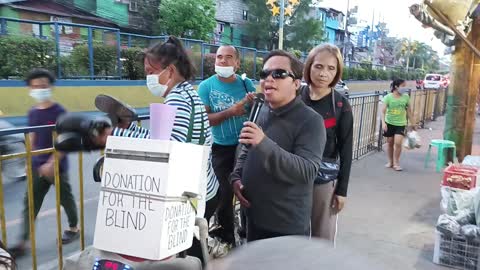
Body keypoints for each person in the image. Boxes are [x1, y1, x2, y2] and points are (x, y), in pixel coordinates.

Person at [59, 36, 219, 263]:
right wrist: (128, 129)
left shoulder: (178, 100)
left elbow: (168, 149)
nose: (148, 77)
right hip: (202, 188)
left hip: (192, 196)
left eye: (150, 71)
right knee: (185, 256)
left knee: (184, 261)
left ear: (170, 71)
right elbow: (161, 139)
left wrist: (112, 136)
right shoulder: (186, 93)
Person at [229, 50, 326, 241]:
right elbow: (246, 148)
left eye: (279, 74)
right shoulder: (261, 109)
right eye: (264, 74)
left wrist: (263, 142)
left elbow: (307, 171)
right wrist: (236, 177)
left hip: (285, 228)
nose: (268, 79)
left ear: (296, 83)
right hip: (253, 219)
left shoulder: (311, 121)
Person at [10, 69, 79, 258]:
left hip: (57, 165)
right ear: (30, 89)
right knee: (30, 203)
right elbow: (32, 137)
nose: (40, 89)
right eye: (35, 86)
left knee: (65, 198)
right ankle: (22, 242)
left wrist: (51, 163)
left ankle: (74, 228)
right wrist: (28, 160)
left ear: (50, 86)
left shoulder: (60, 112)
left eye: (43, 85)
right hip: (36, 167)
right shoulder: (33, 113)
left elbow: (66, 139)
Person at [197, 45, 256, 247]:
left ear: (237, 63)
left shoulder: (246, 84)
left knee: (248, 191)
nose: (222, 61)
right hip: (221, 149)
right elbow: (205, 120)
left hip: (246, 147)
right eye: (219, 57)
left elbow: (257, 112)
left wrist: (252, 102)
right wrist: (231, 111)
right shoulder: (206, 87)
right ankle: (227, 237)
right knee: (223, 194)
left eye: (228, 57)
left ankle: (248, 232)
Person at [300, 44, 353, 242]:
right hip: (292, 176)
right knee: (293, 236)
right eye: (319, 66)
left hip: (323, 181)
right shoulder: (295, 97)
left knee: (322, 238)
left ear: (337, 72)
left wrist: (342, 190)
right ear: (309, 67)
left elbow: (346, 150)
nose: (323, 74)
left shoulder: (341, 105)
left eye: (331, 68)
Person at [382, 79, 415, 171]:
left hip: (401, 123)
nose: (405, 88)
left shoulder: (406, 97)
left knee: (398, 143)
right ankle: (390, 161)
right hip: (389, 123)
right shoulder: (388, 97)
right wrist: (383, 123)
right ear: (396, 86)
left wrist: (413, 124)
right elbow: (383, 111)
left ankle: (396, 162)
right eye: (403, 86)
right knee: (390, 143)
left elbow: (409, 111)